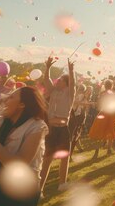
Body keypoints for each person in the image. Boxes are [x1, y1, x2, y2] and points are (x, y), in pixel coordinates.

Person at [40, 56, 76, 192]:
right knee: (47, 159)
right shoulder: (53, 91)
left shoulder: (69, 94)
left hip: (63, 129)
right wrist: (47, 67)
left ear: (66, 83)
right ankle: (40, 189)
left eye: (60, 80)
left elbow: (73, 84)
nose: (57, 81)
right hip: (52, 129)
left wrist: (71, 71)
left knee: (64, 157)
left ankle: (62, 184)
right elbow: (46, 80)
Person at [89, 80, 115, 159]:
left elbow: (99, 105)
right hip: (113, 113)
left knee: (99, 130)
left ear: (105, 86)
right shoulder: (114, 94)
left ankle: (96, 151)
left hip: (104, 112)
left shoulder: (102, 94)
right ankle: (109, 150)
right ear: (111, 86)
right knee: (110, 130)